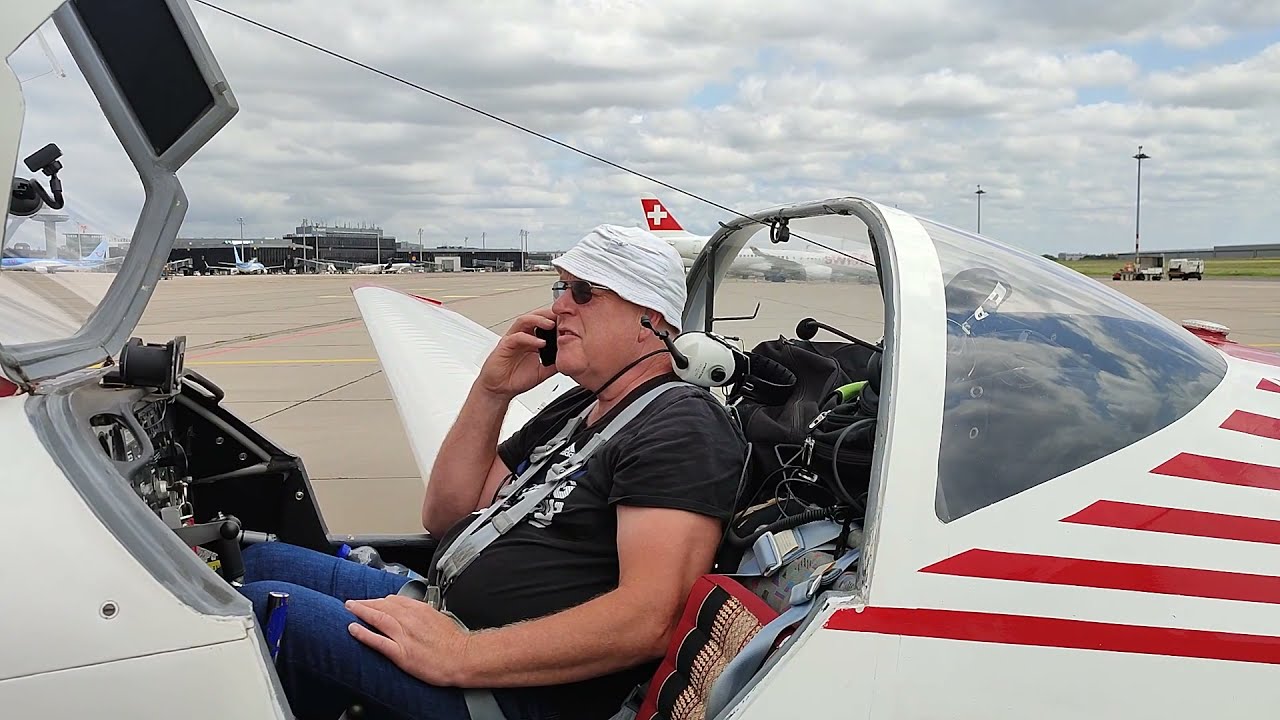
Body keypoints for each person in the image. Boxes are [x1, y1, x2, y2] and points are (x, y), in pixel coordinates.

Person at [237, 223, 748, 720]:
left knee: (259, 612)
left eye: (585, 292)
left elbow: (649, 618)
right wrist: (493, 390)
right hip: (448, 617)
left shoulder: (682, 425)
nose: (559, 305)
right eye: (561, 287)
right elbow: (447, 514)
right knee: (254, 562)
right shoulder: (576, 407)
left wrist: (461, 655)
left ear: (650, 318)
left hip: (509, 690)